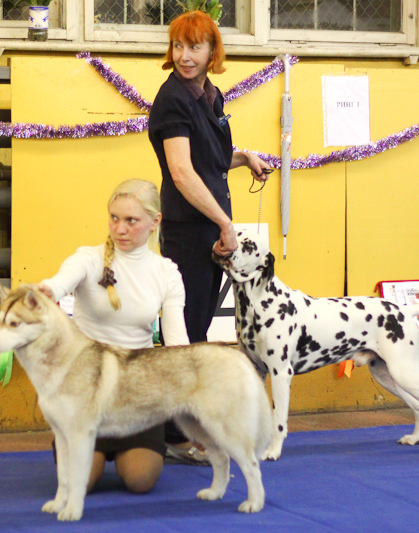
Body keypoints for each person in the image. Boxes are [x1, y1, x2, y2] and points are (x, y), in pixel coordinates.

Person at [147, 10, 271, 460]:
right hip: (190, 232)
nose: (184, 56)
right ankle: (172, 435)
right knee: (184, 336)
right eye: (178, 46)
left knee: (194, 331)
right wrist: (224, 223)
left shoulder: (208, 95)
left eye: (194, 47)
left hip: (206, 230)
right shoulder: (173, 100)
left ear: (212, 51)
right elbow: (181, 172)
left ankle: (178, 430)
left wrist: (244, 158)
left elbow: (206, 158)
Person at [38, 179, 189, 494]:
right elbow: (59, 282)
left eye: (131, 220)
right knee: (81, 483)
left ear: (155, 222)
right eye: (114, 218)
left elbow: (178, 347)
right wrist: (47, 291)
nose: (120, 229)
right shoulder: (88, 259)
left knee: (140, 480)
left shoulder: (167, 273)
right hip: (85, 391)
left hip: (138, 394)